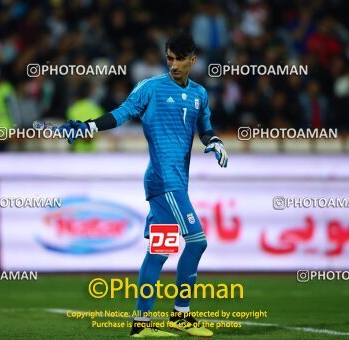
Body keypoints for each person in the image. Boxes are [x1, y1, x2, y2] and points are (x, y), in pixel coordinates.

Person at [58, 31, 227, 337]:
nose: (173, 65)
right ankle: (181, 316)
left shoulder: (200, 94)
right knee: (198, 241)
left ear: (193, 60)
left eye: (179, 59)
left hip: (177, 181)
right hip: (165, 180)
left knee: (159, 252)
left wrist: (214, 141)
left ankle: (141, 325)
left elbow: (205, 127)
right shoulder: (150, 88)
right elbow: (121, 114)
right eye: (169, 59)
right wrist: (89, 126)